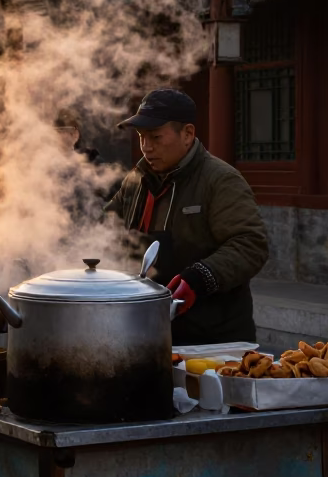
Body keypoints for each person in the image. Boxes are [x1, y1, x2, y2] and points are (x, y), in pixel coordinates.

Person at [106, 89, 269, 345]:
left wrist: (201, 276)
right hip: (147, 331)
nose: (146, 147)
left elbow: (251, 245)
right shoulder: (135, 181)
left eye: (156, 137)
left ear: (188, 134)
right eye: (141, 137)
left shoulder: (220, 180)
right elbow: (105, 228)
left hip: (212, 339)